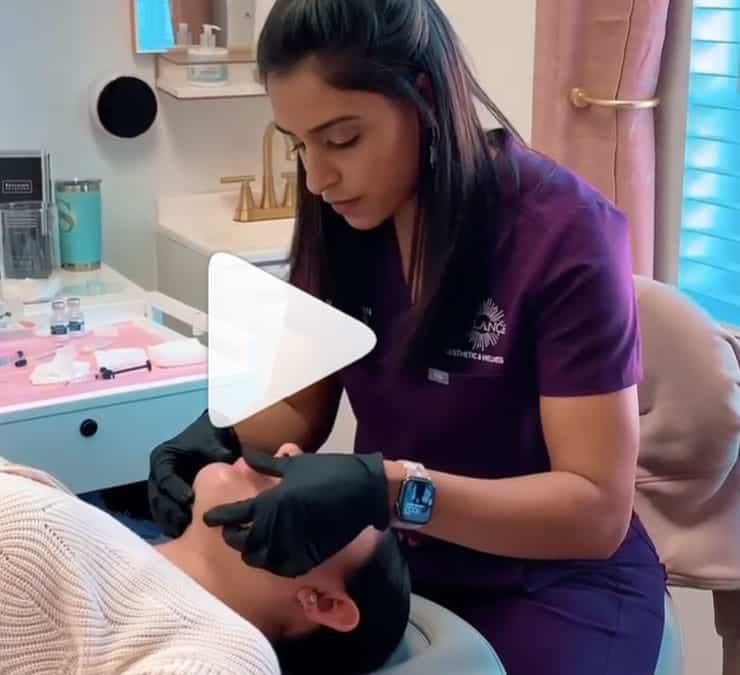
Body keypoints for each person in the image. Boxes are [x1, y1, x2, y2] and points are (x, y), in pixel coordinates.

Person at [146, 1, 669, 673]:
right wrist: (216, 438)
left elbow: (594, 513)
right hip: (400, 566)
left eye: (342, 140)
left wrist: (388, 491)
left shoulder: (563, 234)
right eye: (299, 145)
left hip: (553, 582)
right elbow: (301, 406)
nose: (318, 178)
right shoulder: (343, 219)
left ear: (422, 97)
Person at [0, 437, 409, 675]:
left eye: (330, 506)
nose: (290, 452)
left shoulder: (226, 655)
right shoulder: (96, 535)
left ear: (324, 603)